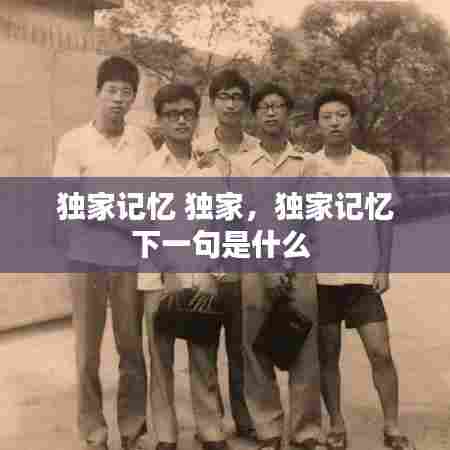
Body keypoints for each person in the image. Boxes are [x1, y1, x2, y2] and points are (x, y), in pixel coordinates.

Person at [305, 88, 415, 450]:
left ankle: (392, 426)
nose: (334, 123)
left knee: (380, 352)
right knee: (327, 356)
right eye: (327, 117)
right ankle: (336, 425)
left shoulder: (371, 166)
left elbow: (384, 220)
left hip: (362, 278)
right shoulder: (308, 167)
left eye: (341, 115)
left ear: (352, 120)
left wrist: (383, 267)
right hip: (321, 279)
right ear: (317, 124)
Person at [52, 56, 153, 450]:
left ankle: (133, 429)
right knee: (87, 353)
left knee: (131, 348)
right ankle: (94, 432)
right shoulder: (73, 142)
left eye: (126, 92)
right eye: (111, 90)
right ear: (97, 93)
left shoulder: (141, 142)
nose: (118, 99)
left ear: (133, 98)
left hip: (130, 260)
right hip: (86, 258)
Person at [136, 83, 228, 450]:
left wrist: (212, 270)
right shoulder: (147, 170)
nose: (181, 121)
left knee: (204, 352)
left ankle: (210, 429)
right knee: (160, 357)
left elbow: (220, 224)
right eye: (172, 114)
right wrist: (168, 272)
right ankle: (166, 434)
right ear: (159, 120)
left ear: (196, 118)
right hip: (159, 277)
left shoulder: (209, 170)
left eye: (188, 113)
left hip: (203, 272)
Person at [236, 83, 322, 450]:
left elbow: (311, 218)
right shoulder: (241, 164)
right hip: (255, 266)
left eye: (278, 106)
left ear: (288, 112)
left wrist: (287, 262)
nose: (271, 113)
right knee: (255, 347)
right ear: (255, 115)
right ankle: (268, 429)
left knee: (304, 345)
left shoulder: (306, 163)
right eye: (264, 107)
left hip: (298, 265)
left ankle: (305, 432)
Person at [193, 68, 259, 441]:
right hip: (206, 257)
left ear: (245, 104)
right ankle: (210, 423)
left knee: (242, 344)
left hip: (246, 258)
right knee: (204, 344)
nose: (231, 104)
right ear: (213, 102)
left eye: (237, 97)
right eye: (224, 97)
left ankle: (246, 416)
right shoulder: (198, 148)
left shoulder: (257, 149)